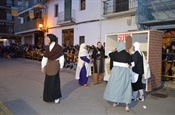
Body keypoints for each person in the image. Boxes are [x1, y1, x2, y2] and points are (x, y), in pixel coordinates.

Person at [103, 42, 134, 112]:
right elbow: (133, 64)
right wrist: (129, 66)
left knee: (116, 87)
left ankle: (116, 101)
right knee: (126, 87)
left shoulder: (114, 54)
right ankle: (126, 105)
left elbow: (108, 53)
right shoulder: (127, 54)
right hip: (124, 73)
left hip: (115, 73)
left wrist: (114, 50)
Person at [41, 34, 64, 104]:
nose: (47, 39)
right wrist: (42, 66)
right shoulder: (48, 47)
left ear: (51, 38)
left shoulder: (58, 47)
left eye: (48, 38)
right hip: (49, 65)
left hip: (55, 65)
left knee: (55, 82)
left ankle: (56, 97)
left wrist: (61, 66)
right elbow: (45, 57)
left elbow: (61, 57)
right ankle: (48, 97)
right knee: (48, 82)